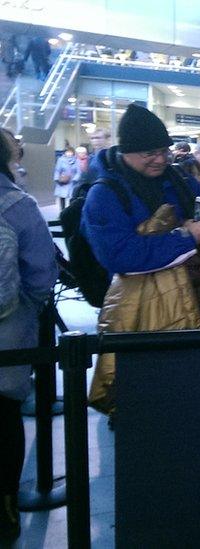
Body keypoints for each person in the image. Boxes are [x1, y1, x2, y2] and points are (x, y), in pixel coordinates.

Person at [81, 104, 200, 329]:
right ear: (126, 151)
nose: (160, 159)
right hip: (141, 312)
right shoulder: (105, 194)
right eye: (150, 153)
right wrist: (187, 239)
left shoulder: (179, 179)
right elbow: (118, 255)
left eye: (164, 151)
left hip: (198, 299)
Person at [0, 129, 58, 542]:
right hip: (8, 333)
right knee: (4, 419)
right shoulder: (17, 206)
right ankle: (5, 506)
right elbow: (42, 274)